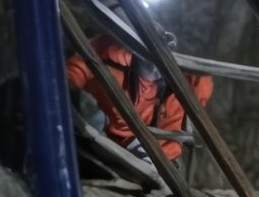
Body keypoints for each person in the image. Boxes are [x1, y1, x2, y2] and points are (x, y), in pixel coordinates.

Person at [65, 35, 213, 164]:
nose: (156, 68)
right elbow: (73, 74)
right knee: (87, 110)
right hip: (99, 142)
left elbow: (175, 138)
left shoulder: (185, 86)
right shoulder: (107, 54)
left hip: (152, 158)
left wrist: (156, 155)